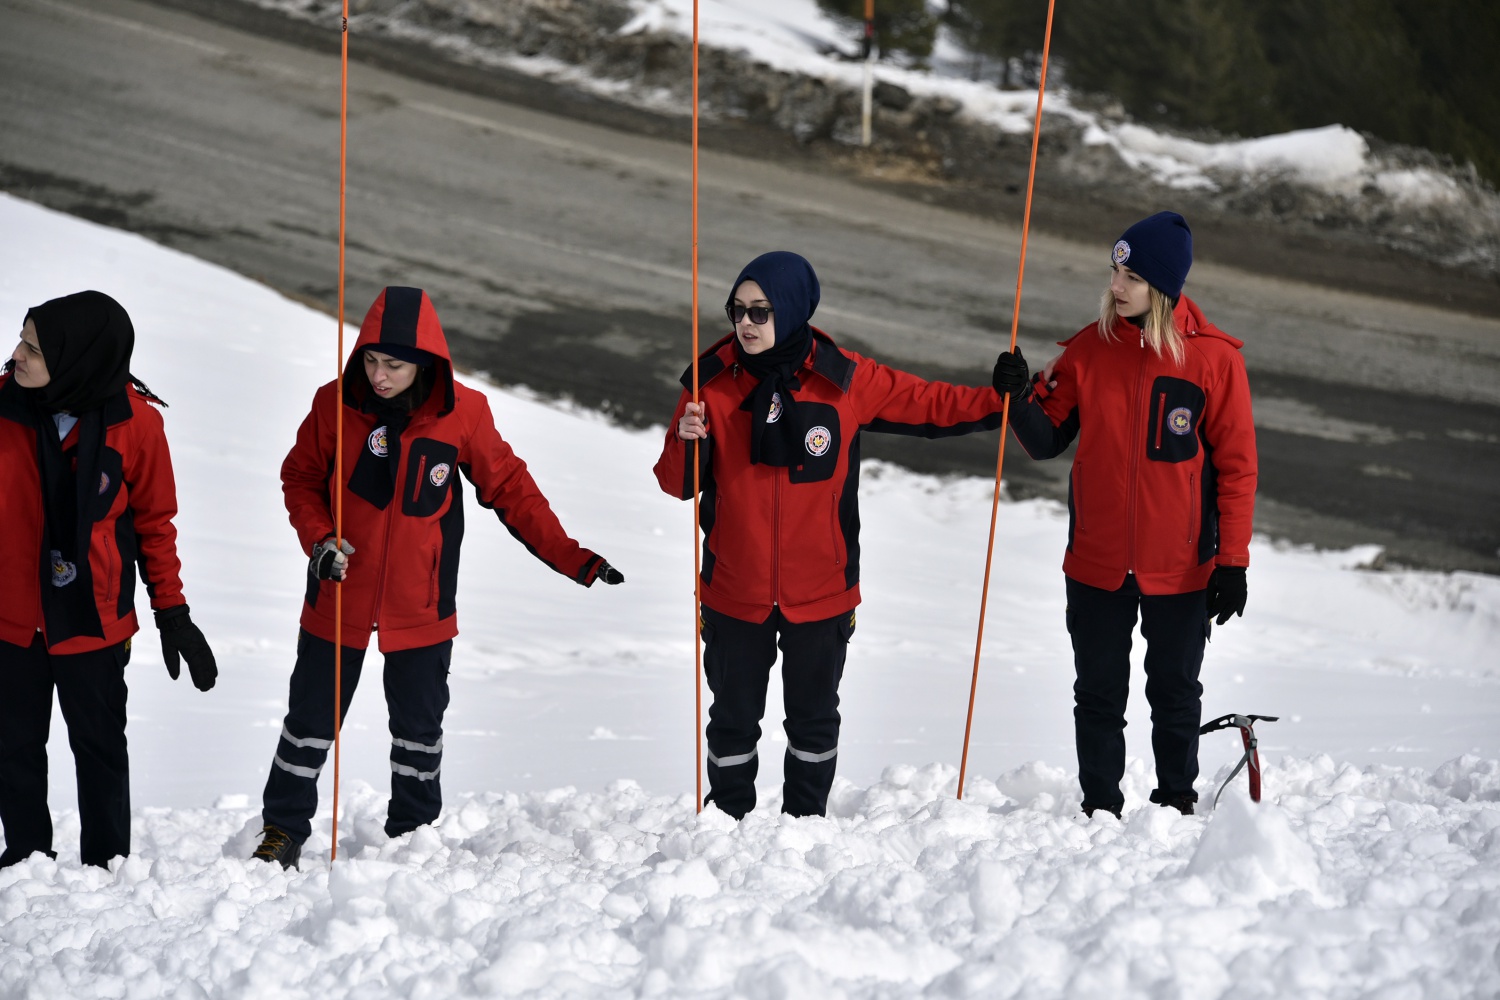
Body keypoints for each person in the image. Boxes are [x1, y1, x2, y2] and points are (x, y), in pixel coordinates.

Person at [253, 286, 624, 868]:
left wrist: (574, 558)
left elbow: (511, 490)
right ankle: (283, 830)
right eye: (370, 360)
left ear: (425, 361)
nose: (378, 375)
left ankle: (412, 835)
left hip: (421, 605)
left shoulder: (463, 414)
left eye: (393, 365)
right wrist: (320, 541)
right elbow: (299, 477)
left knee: (418, 732)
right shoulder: (335, 404)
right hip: (337, 592)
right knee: (308, 724)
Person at [654, 251, 1013, 819]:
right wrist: (685, 437)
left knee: (814, 719)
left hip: (820, 593)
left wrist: (1001, 397)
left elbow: (932, 405)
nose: (744, 324)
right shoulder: (711, 383)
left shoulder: (844, 380)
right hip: (734, 591)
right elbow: (676, 485)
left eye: (760, 311)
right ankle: (726, 824)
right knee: (731, 721)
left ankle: (804, 826)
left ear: (792, 311)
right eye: (736, 310)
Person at [993, 211, 1258, 818]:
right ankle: (1100, 810)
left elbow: (1239, 470)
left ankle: (1174, 805)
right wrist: (1016, 398)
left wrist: (1233, 561)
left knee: (1174, 693)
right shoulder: (1090, 349)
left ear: (1162, 286)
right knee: (1098, 694)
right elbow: (1045, 439)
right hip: (1096, 562)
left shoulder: (1215, 361)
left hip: (1182, 566)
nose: (1116, 286)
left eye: (1131, 276)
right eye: (1115, 270)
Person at [0, 291, 217, 870]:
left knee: (98, 748)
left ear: (77, 359)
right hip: (12, 618)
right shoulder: (1, 407)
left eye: (32, 347)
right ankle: (25, 858)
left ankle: (106, 866)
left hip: (94, 621)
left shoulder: (136, 424)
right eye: (21, 338)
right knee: (12, 745)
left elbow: (153, 524)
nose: (15, 354)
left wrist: (172, 612)